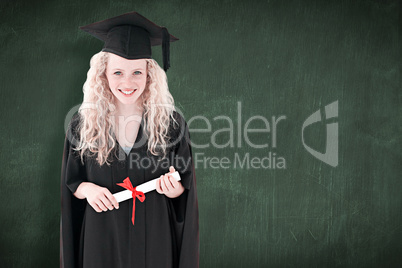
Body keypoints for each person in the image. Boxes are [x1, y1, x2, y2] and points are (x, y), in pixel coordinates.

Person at [60, 12, 199, 268]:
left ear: (149, 74)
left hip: (154, 237)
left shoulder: (171, 124)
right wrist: (88, 190)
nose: (127, 82)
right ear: (103, 75)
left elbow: (185, 188)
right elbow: (73, 181)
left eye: (137, 71)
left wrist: (173, 188)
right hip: (101, 237)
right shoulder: (83, 124)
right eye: (117, 72)